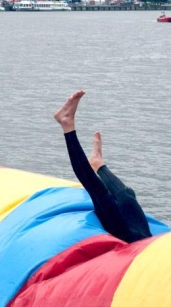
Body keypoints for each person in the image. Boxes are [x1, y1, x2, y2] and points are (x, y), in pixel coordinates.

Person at [53, 90, 152, 243]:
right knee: (126, 196)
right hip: (145, 241)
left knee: (99, 190)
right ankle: (98, 164)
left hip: (131, 243)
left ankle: (67, 125)